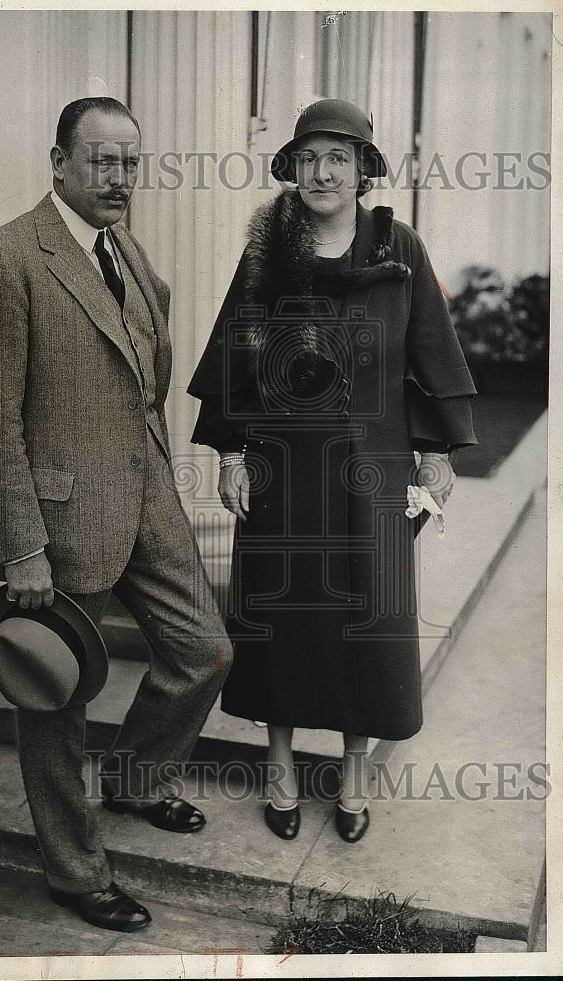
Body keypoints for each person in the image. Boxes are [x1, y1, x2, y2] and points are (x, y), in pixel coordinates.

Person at [0, 97, 232, 932]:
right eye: (103, 161)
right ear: (60, 162)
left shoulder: (128, 253)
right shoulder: (3, 260)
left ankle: (140, 779)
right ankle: (75, 872)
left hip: (143, 491)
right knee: (54, 697)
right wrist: (20, 546)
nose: (119, 179)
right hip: (58, 516)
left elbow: (142, 381)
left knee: (205, 650)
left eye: (130, 163)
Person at [187, 99, 476, 845]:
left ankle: (353, 774)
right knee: (283, 619)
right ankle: (279, 766)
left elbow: (431, 349)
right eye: (310, 158)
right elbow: (235, 355)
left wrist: (436, 452)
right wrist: (231, 452)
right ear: (293, 168)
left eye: (338, 159)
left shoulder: (398, 246)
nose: (322, 172)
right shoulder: (269, 253)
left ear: (362, 171)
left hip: (373, 470)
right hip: (283, 471)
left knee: (367, 626)